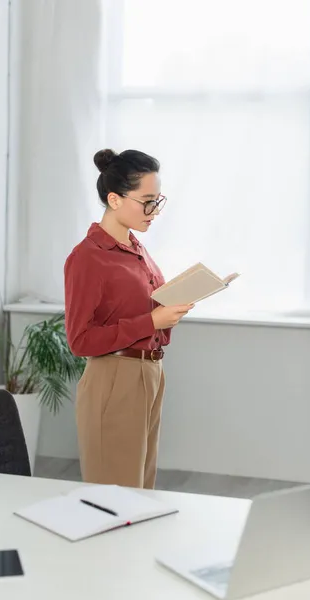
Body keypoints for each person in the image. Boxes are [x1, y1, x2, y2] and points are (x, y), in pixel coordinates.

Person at [64, 148, 193, 489]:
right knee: (116, 494)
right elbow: (80, 341)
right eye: (146, 201)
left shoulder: (137, 248)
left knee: (141, 488)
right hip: (114, 377)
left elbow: (141, 310)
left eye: (158, 200)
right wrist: (152, 321)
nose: (154, 211)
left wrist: (166, 315)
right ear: (115, 199)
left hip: (150, 373)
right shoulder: (88, 257)